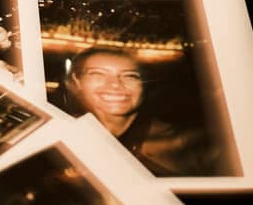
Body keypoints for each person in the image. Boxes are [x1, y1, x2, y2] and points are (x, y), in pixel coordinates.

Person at [62, 46, 221, 177]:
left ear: (143, 86)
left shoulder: (186, 143)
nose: (116, 85)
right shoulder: (61, 134)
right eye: (98, 74)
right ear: (76, 82)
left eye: (130, 76)